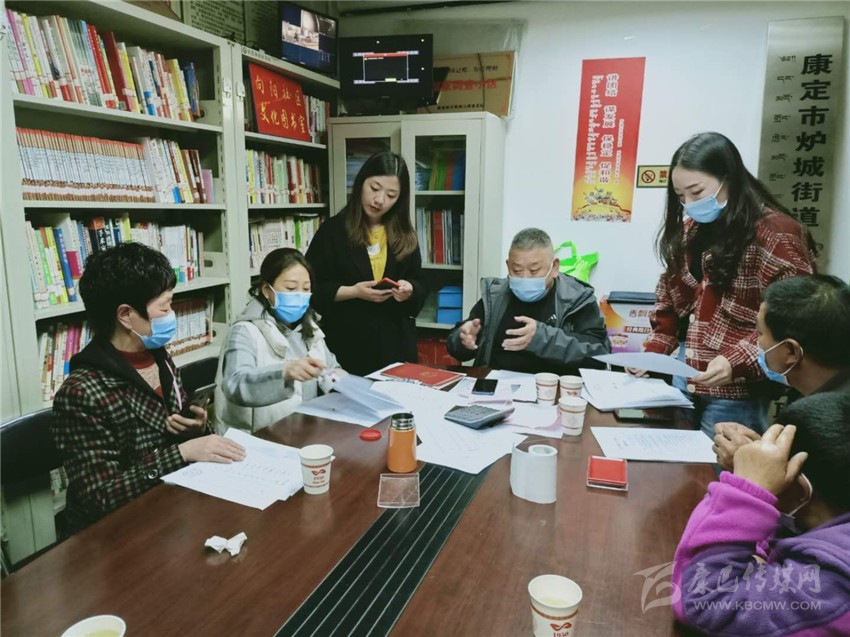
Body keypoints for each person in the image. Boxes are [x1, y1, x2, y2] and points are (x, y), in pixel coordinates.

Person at [52, 243, 245, 532]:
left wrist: (194, 428)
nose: (171, 314)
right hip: (119, 534)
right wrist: (182, 452)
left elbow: (172, 428)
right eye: (164, 307)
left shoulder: (158, 356)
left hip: (172, 509)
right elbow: (99, 498)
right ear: (126, 315)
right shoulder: (81, 392)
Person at [637, 132, 816, 438]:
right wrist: (655, 349)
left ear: (728, 178)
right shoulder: (692, 230)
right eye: (680, 196)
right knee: (677, 462)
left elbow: (795, 319)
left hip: (737, 393)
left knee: (724, 465)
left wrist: (736, 361)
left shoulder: (776, 234)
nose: (689, 204)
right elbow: (670, 294)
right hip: (686, 377)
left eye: (697, 192)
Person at [672, 393, 850, 636]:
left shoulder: (834, 584)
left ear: (800, 489)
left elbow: (706, 602)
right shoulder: (829, 516)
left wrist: (748, 489)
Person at [306, 151, 426, 376]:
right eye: (374, 188)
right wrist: (354, 292)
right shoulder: (332, 231)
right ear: (361, 183)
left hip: (395, 346)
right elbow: (312, 289)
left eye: (391, 195)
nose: (380, 200)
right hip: (347, 345)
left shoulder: (405, 234)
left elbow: (419, 282)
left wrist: (409, 290)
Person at [711, 274, 850, 468]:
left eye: (759, 333)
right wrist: (761, 450)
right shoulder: (821, 397)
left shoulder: (828, 422)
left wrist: (749, 464)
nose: (756, 343)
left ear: (791, 351)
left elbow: (814, 486)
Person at [447, 228, 611, 373]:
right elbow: (457, 348)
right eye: (517, 270)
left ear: (554, 267)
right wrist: (462, 340)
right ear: (508, 265)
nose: (525, 278)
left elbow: (600, 356)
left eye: (534, 270)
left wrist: (543, 338)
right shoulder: (495, 296)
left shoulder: (577, 299)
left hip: (551, 391)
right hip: (496, 387)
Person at [216, 248, 344, 433]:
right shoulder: (245, 331)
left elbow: (332, 369)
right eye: (291, 288)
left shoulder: (310, 328)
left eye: (306, 289)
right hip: (257, 439)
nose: (299, 295)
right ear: (267, 290)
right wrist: (285, 372)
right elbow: (235, 385)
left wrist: (347, 382)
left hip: (303, 433)